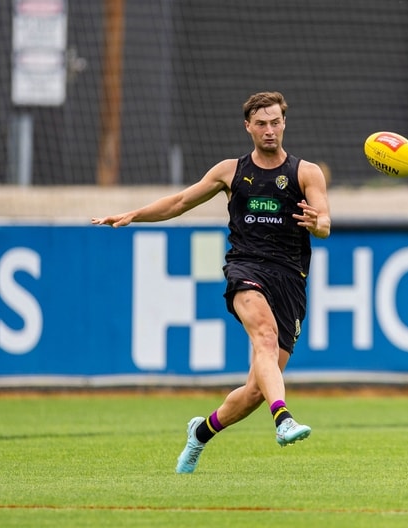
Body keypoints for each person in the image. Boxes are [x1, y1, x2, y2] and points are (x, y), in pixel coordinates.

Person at [91, 91, 331, 474]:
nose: (269, 130)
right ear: (248, 127)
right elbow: (179, 202)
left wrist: (317, 223)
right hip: (246, 269)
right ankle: (283, 419)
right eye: (261, 124)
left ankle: (200, 432)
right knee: (265, 338)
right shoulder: (230, 171)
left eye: (275, 122)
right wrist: (134, 214)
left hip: (289, 279)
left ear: (284, 123)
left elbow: (324, 223)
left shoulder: (306, 173)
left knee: (256, 389)